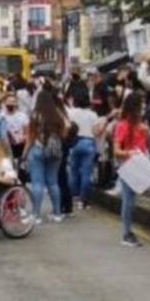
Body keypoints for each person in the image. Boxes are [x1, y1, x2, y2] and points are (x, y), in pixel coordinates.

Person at [112, 92, 150, 248]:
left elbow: (147, 145)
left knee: (131, 199)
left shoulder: (142, 126)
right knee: (129, 200)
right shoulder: (123, 126)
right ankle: (126, 232)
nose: (143, 109)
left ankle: (127, 231)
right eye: (141, 106)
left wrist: (147, 133)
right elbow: (116, 150)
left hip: (140, 164)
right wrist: (129, 152)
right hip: (128, 165)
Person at [25, 89, 67, 223]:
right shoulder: (57, 114)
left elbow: (30, 138)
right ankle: (57, 213)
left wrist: (24, 154)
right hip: (55, 151)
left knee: (38, 184)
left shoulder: (35, 115)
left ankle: (36, 215)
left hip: (38, 150)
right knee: (53, 183)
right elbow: (65, 133)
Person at [65, 94, 104, 210]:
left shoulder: (72, 113)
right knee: (86, 173)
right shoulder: (93, 115)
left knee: (73, 170)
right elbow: (97, 131)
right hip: (89, 142)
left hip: (75, 142)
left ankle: (73, 196)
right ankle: (83, 200)